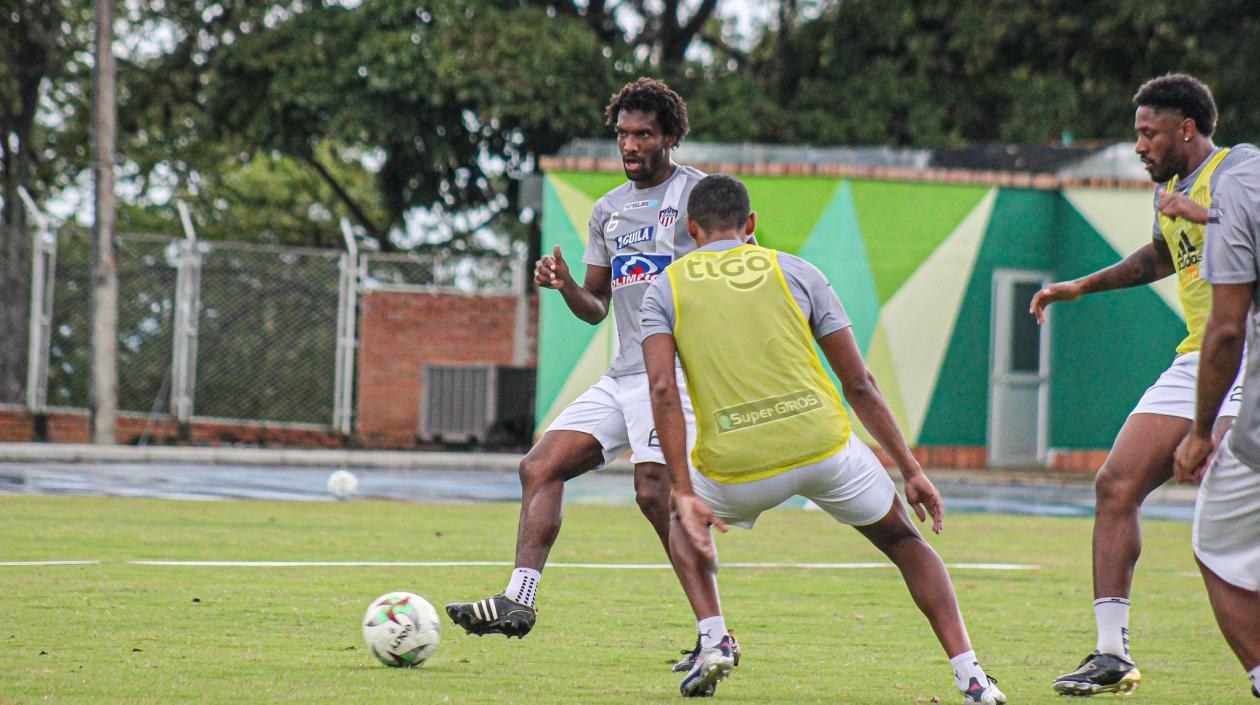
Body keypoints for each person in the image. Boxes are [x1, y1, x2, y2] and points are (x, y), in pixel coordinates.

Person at [640, 174, 1005, 703]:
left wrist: (683, 489)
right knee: (906, 544)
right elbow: (859, 384)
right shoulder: (798, 271)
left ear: (691, 228)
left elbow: (661, 389)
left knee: (680, 518)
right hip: (825, 449)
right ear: (751, 224)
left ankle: (714, 638)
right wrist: (911, 470)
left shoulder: (664, 287)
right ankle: (971, 677)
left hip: (736, 465)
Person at [446, 77, 737, 669]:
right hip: (625, 372)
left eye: (644, 134)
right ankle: (519, 599)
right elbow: (597, 306)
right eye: (623, 135)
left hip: (676, 375)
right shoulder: (608, 210)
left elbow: (735, 271)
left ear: (670, 136)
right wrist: (565, 286)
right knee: (539, 466)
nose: (630, 145)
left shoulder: (699, 195)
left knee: (654, 493)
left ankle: (716, 637)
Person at [1030, 73, 1257, 696]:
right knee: (1116, 484)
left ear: (1187, 129)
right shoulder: (1170, 191)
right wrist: (1081, 286)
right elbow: (1161, 255)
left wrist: (1204, 214)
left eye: (1148, 133)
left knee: (1227, 500)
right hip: (1201, 357)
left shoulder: (1240, 170)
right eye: (1137, 134)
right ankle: (1111, 654)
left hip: (1250, 354)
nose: (1138, 146)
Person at [1172, 153, 1260, 701]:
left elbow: (1226, 331)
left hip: (1251, 425)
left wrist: (1201, 430)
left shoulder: (1238, 175)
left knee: (1215, 546)